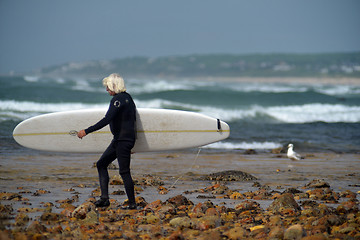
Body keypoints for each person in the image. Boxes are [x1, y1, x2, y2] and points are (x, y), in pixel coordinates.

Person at [77, 73, 137, 209]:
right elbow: (133, 121)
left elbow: (107, 119)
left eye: (108, 87)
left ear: (114, 86)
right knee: (101, 164)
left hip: (122, 141)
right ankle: (104, 199)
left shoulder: (117, 100)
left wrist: (86, 131)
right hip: (122, 140)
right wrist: (133, 142)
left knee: (124, 172)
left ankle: (132, 204)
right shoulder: (128, 98)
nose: (106, 90)